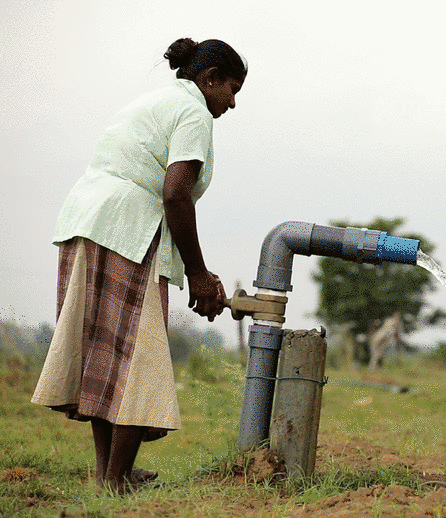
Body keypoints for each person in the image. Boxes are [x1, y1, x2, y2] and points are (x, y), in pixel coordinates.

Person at [30, 38, 246, 493]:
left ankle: (110, 474)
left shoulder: (156, 100)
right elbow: (175, 194)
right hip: (129, 231)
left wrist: (197, 272)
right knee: (137, 357)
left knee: (105, 354)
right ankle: (115, 479)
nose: (232, 103)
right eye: (232, 89)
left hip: (87, 220)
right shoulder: (194, 113)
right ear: (210, 80)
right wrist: (199, 275)